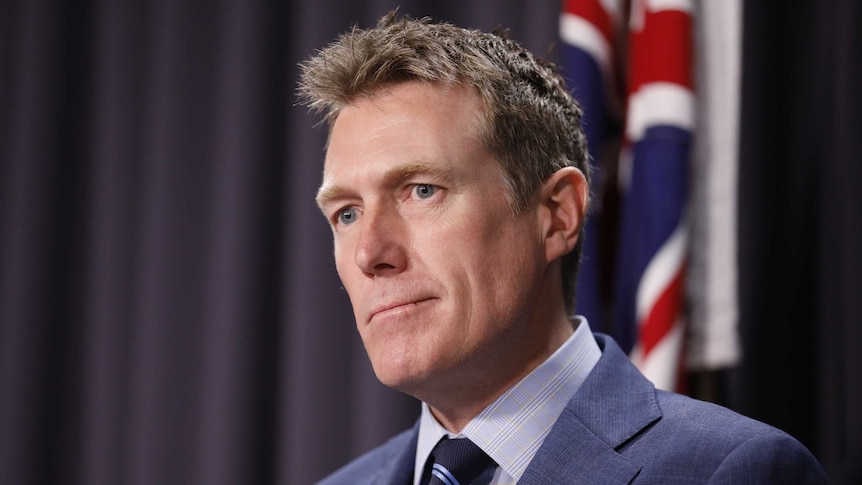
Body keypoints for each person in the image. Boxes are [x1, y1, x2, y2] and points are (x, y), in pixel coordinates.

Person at [298, 12, 829, 485]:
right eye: (346, 213)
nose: (370, 253)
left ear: (557, 214)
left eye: (421, 191)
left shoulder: (733, 471)